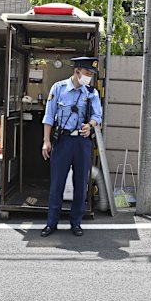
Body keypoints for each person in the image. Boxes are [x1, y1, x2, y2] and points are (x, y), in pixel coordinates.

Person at [41, 57, 102, 237]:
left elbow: (98, 115)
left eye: (91, 74)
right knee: (57, 183)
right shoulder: (58, 88)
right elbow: (49, 117)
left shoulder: (92, 93)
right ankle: (51, 223)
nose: (89, 77)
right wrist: (46, 141)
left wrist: (89, 125)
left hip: (82, 142)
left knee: (81, 183)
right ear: (77, 71)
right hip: (63, 141)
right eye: (87, 73)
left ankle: (76, 222)